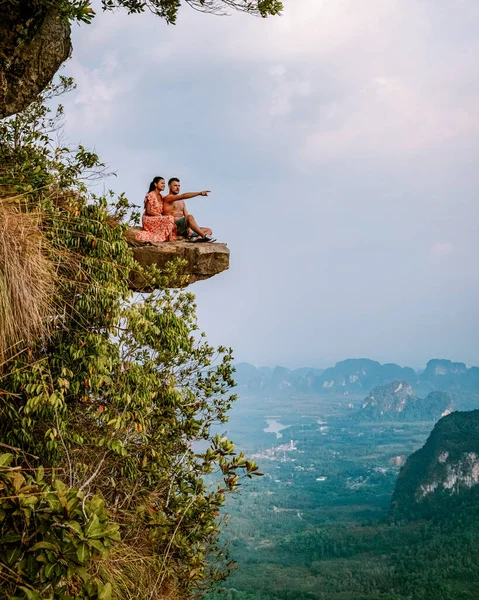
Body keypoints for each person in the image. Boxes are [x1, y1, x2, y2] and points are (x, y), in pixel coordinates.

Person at [162, 177, 216, 243]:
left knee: (209, 230)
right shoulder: (168, 198)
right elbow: (183, 195)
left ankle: (197, 239)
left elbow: (186, 215)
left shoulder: (181, 201)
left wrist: (190, 229)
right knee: (190, 217)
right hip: (175, 227)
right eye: (175, 185)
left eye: (179, 186)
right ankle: (203, 236)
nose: (178, 187)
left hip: (185, 228)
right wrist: (199, 193)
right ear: (169, 186)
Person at [135, 176, 176, 243]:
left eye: (164, 184)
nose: (164, 185)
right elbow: (148, 211)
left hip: (157, 218)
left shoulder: (162, 197)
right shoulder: (150, 195)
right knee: (169, 218)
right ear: (155, 184)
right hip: (148, 218)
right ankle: (170, 238)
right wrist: (159, 216)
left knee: (171, 219)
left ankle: (168, 236)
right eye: (162, 183)